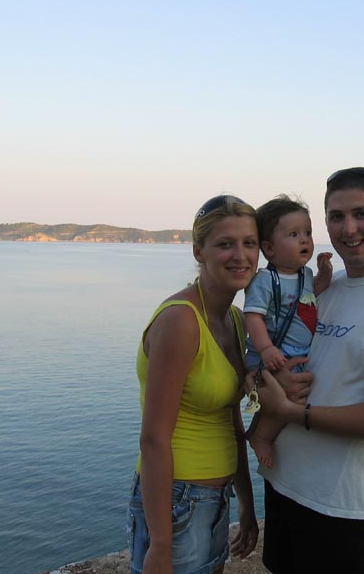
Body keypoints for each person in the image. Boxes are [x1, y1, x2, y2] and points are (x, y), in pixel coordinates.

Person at [250, 167, 364, 574]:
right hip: (283, 484)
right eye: (336, 217)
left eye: (360, 214)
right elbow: (281, 357)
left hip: (340, 507)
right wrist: (269, 380)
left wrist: (292, 412)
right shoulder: (324, 290)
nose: (348, 228)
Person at [126, 195, 260, 574]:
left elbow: (232, 423)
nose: (240, 255)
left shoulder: (235, 319)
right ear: (199, 251)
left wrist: (247, 504)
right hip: (176, 500)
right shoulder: (181, 322)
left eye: (249, 243)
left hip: (215, 499)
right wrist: (160, 544)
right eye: (225, 244)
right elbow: (154, 438)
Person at [243, 195, 333, 468]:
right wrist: (266, 349)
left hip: (294, 353)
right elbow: (253, 316)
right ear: (269, 248)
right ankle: (261, 436)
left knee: (296, 394)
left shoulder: (305, 274)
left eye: (308, 233)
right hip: (273, 355)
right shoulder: (265, 280)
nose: (304, 240)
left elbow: (311, 295)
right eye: (294, 234)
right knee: (290, 397)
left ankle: (264, 432)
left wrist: (324, 274)